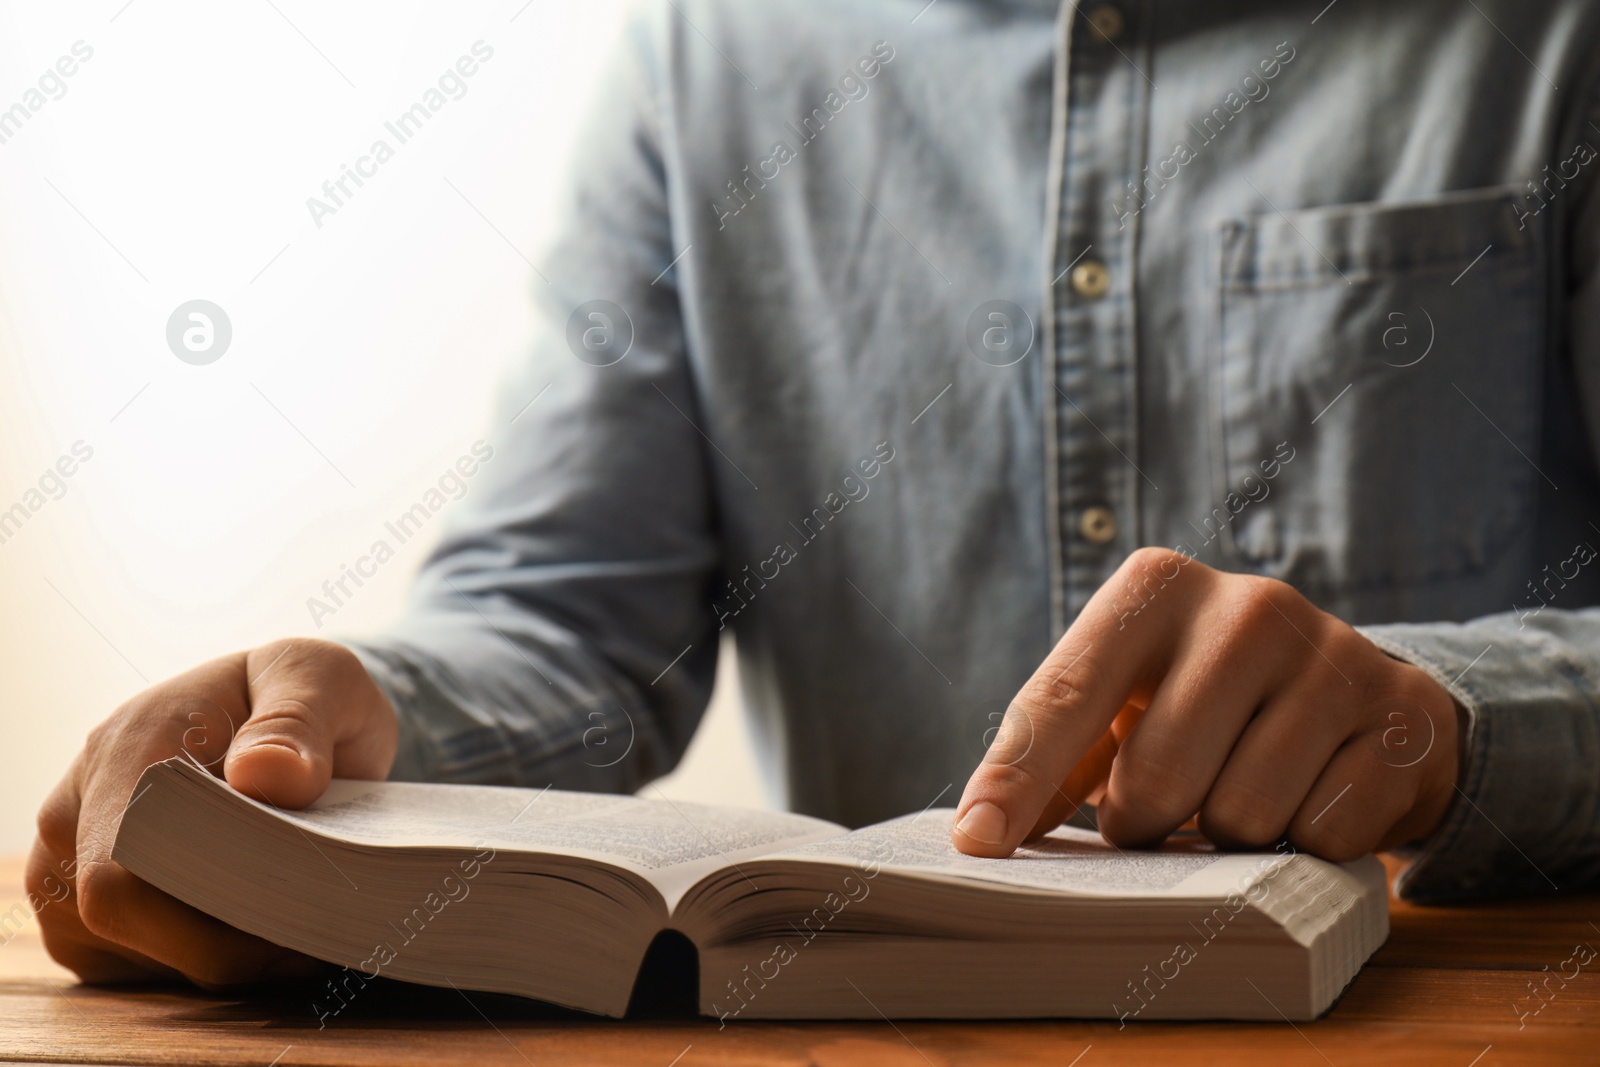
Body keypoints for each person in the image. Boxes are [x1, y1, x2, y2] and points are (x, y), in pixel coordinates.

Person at [30, 0, 1600, 987]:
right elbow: (569, 629)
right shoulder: (706, 48)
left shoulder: (1549, 38)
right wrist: (340, 735)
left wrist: (1448, 720)